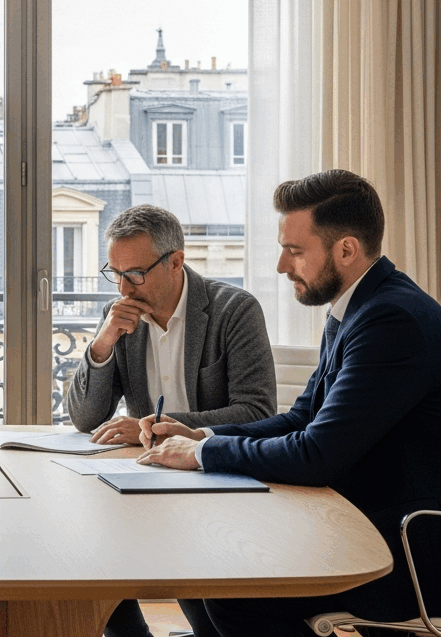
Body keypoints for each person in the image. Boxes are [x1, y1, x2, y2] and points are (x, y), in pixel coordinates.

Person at [138, 170, 441, 637]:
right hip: (357, 520)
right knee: (202, 561)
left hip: (400, 550)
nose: (282, 266)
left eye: (295, 251)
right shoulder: (357, 307)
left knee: (235, 590)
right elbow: (303, 418)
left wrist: (200, 455)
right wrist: (203, 435)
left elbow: (315, 455)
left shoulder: (390, 320)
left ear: (346, 249)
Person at [65, 204, 276, 637]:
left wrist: (158, 423)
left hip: (216, 476)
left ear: (175, 261)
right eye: (115, 272)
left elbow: (257, 411)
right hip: (148, 478)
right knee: (80, 538)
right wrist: (104, 342)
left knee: (212, 617)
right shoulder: (122, 315)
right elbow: (86, 417)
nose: (124, 287)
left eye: (135, 273)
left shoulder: (233, 310)